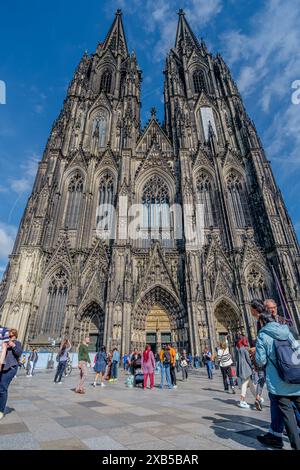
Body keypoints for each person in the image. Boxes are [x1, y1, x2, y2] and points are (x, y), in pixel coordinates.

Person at [256, 312, 300, 450]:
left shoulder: (263, 335)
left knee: (288, 417)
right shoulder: (287, 332)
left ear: (262, 323)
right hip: (295, 379)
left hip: (278, 383)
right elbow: (298, 350)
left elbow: (260, 361)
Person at [0, 329, 23, 421]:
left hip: (10, 368)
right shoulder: (3, 342)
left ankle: (1, 411)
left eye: (11, 336)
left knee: (2, 388)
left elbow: (19, 353)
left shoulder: (17, 343)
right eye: (8, 336)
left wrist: (12, 344)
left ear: (15, 336)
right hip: (2, 366)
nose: (9, 338)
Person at [236, 336, 256, 408]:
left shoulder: (239, 349)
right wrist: (252, 366)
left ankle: (257, 397)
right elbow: (248, 360)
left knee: (250, 384)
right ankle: (242, 401)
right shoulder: (244, 349)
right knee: (245, 383)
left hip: (242, 368)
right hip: (246, 368)